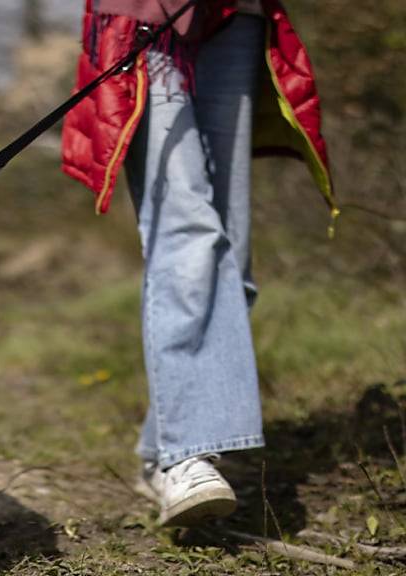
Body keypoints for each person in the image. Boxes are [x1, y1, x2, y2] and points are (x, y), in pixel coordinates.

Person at [60, 0, 336, 526]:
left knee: (231, 257)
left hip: (238, 15)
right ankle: (188, 454)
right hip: (143, 15)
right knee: (187, 231)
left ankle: (163, 448)